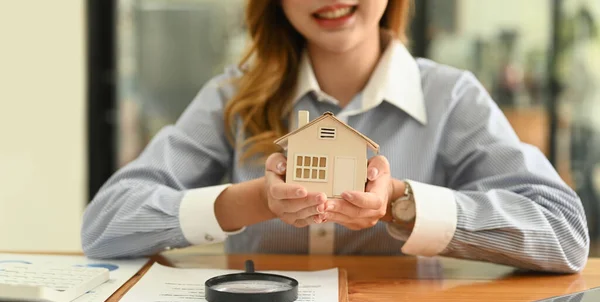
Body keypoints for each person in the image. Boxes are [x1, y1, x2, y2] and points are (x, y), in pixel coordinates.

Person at [81, 0, 590, 273]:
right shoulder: (232, 98)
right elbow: (105, 225)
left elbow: (564, 234)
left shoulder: (451, 98)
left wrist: (401, 203)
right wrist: (253, 200)